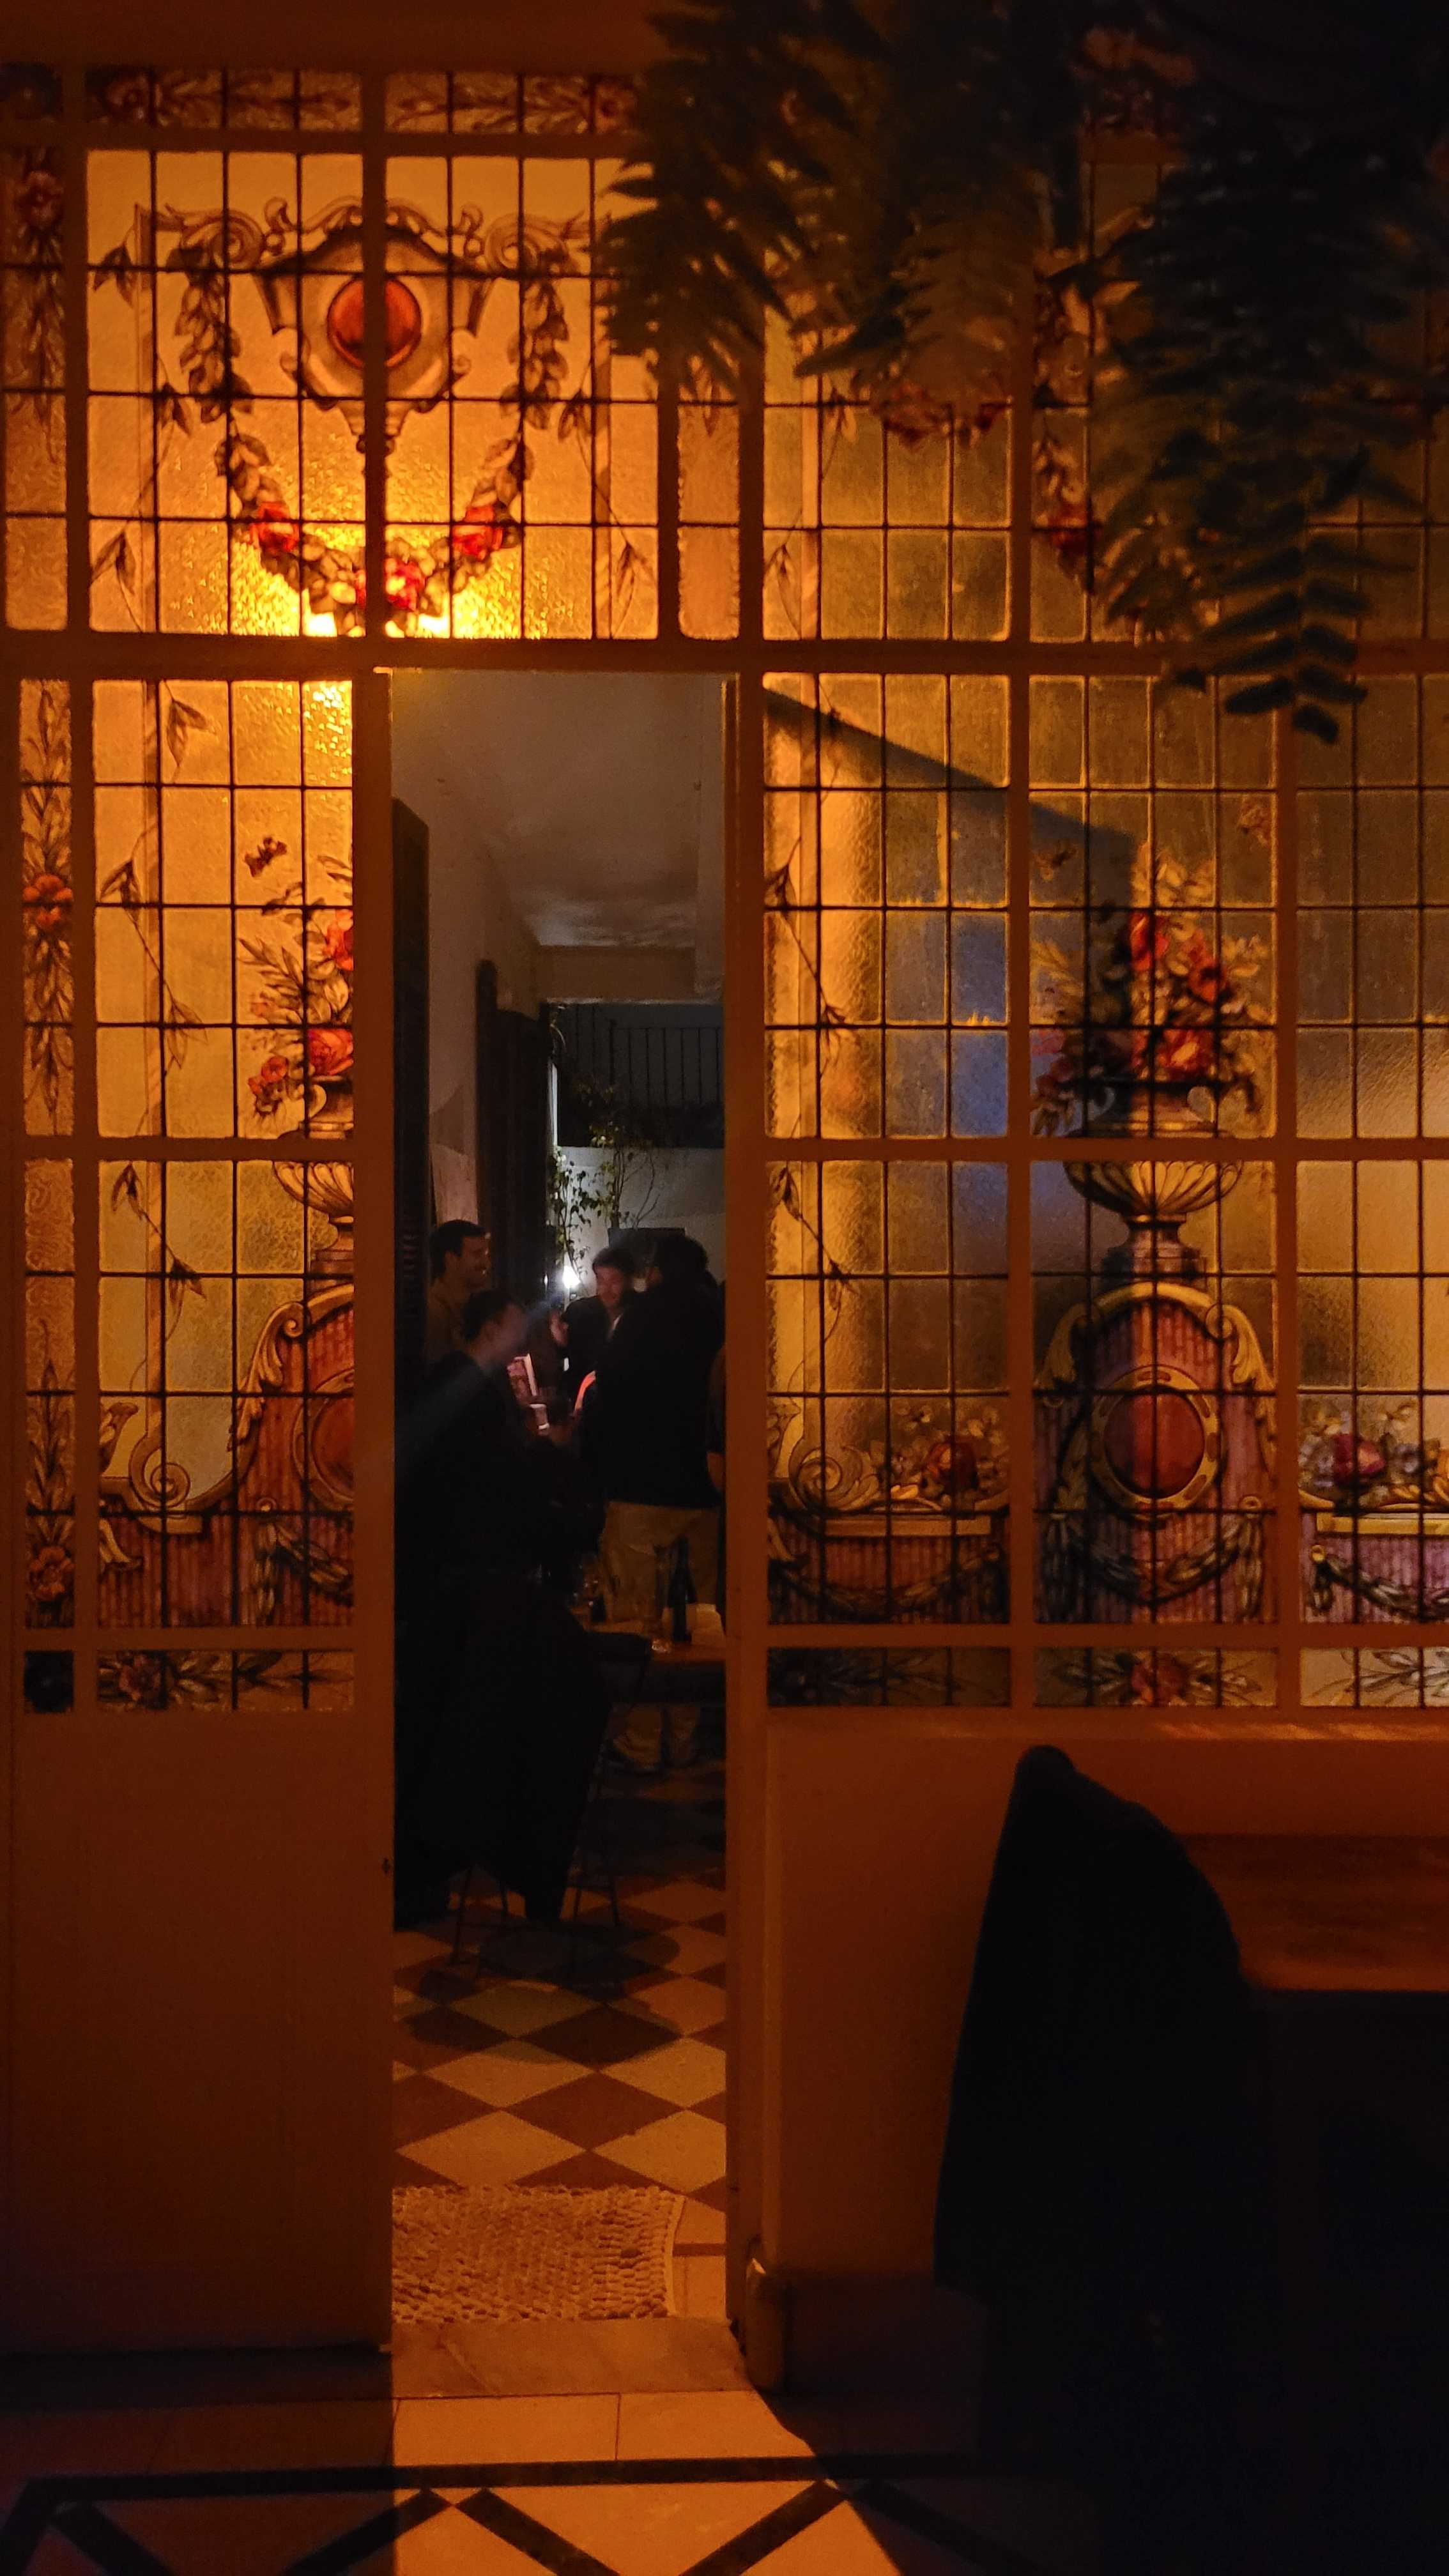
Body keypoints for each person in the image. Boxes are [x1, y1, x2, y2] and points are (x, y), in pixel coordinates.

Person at [395, 1286, 606, 1924]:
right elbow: (486, 1487)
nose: (525, 1336)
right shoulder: (465, 1392)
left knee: (440, 1729)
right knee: (450, 1729)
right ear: (490, 1328)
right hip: (458, 1583)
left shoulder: (466, 1388)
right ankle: (436, 1867)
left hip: (448, 1578)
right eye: (517, 1326)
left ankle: (431, 1871)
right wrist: (548, 1475)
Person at [588, 1232, 724, 1771]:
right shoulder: (717, 1319)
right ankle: (684, 1737)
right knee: (695, 1619)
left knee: (639, 1618)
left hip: (639, 1489)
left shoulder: (638, 1321)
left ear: (655, 1272)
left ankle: (642, 1741)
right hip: (702, 1492)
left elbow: (609, 1388)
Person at [562, 1243, 636, 1411]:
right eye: (601, 1280)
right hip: (583, 1407)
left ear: (629, 1281)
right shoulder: (580, 1312)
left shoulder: (643, 1314)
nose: (606, 1289)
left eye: (615, 1281)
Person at [424, 1218, 491, 1367]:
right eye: (477, 1255)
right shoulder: (431, 1313)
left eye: (487, 1255)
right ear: (451, 1259)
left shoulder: (477, 1309)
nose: (487, 1264)